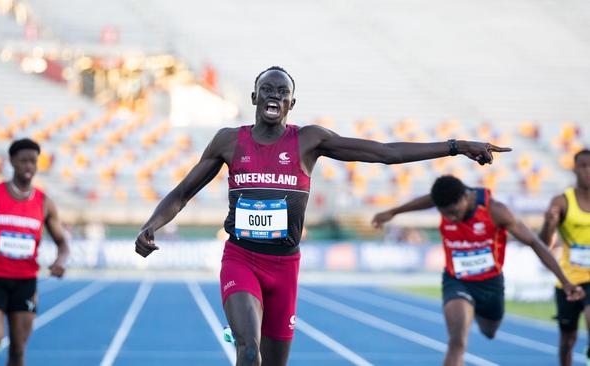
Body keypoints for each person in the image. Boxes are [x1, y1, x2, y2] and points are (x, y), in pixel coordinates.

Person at [135, 66, 511, 366]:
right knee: (249, 352)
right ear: (253, 97)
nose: (274, 95)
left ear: (292, 103)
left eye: (282, 92)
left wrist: (455, 146)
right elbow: (183, 192)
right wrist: (152, 225)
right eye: (267, 89)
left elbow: (384, 153)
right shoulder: (229, 141)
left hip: (285, 268)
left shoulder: (308, 141)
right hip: (241, 259)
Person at [372, 175, 585, 366]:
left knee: (489, 331)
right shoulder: (443, 200)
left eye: (455, 212)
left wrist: (564, 281)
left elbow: (534, 242)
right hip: (457, 280)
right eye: (446, 215)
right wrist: (393, 212)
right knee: (457, 340)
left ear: (465, 197)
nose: (452, 218)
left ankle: (479, 313)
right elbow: (428, 199)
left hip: (490, 283)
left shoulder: (495, 211)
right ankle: (464, 311)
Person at [0, 138, 69, 366]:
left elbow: (62, 243)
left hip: (26, 283)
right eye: (23, 161)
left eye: (33, 162)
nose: (28, 166)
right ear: (12, 162)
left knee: (17, 351)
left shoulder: (44, 203)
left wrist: (60, 261)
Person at [539, 149, 590, 366]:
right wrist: (550, 224)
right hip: (568, 279)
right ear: (574, 169)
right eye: (583, 166)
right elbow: (544, 242)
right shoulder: (562, 201)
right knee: (567, 340)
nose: (588, 171)